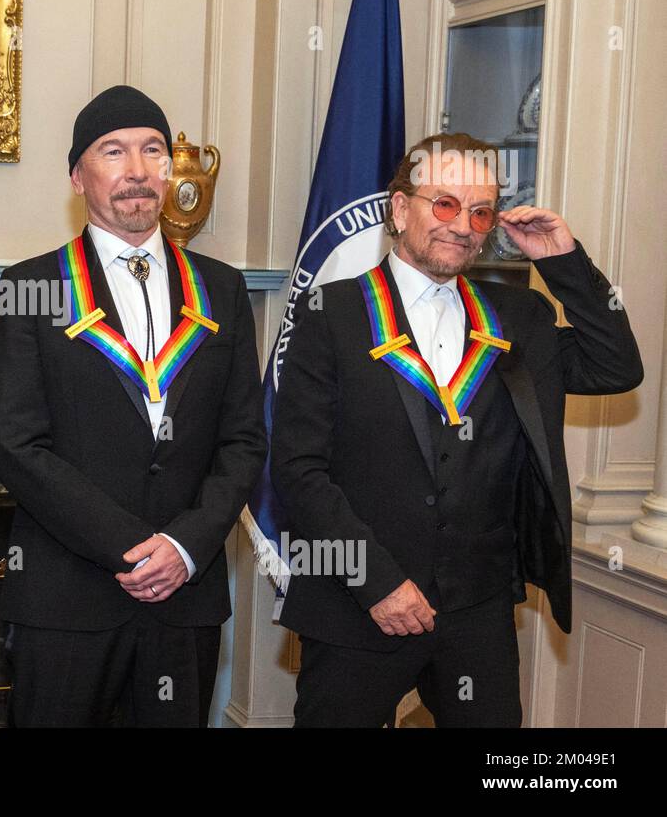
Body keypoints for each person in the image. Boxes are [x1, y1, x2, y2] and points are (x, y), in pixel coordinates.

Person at [272, 132, 643, 727]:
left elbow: (616, 365)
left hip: (478, 609)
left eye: (479, 212)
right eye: (444, 204)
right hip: (357, 604)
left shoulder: (519, 316)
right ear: (400, 208)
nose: (462, 225)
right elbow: (298, 469)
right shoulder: (330, 314)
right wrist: (377, 584)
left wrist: (564, 261)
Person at [0, 85, 267, 726]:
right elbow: (16, 444)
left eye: (152, 151)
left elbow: (244, 441)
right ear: (77, 177)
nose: (137, 170)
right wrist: (132, 548)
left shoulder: (221, 290)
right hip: (66, 600)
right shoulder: (29, 288)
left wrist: (185, 546)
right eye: (113, 152)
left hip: (184, 594)